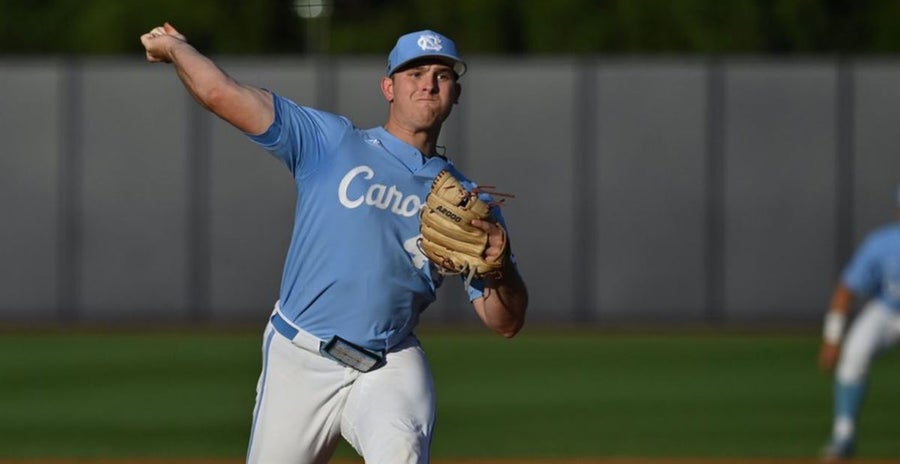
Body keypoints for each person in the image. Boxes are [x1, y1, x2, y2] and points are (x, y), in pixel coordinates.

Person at [141, 23, 527, 463]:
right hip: (299, 357)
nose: (428, 84)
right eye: (414, 74)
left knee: (400, 453)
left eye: (441, 74)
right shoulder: (332, 142)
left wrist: (500, 268)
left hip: (388, 363)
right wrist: (176, 47)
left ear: (455, 93)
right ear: (389, 87)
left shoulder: (471, 207)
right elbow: (221, 94)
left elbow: (505, 322)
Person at [818, 184, 900, 462]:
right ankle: (843, 436)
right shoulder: (883, 243)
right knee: (854, 355)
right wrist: (832, 337)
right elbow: (846, 290)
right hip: (887, 311)